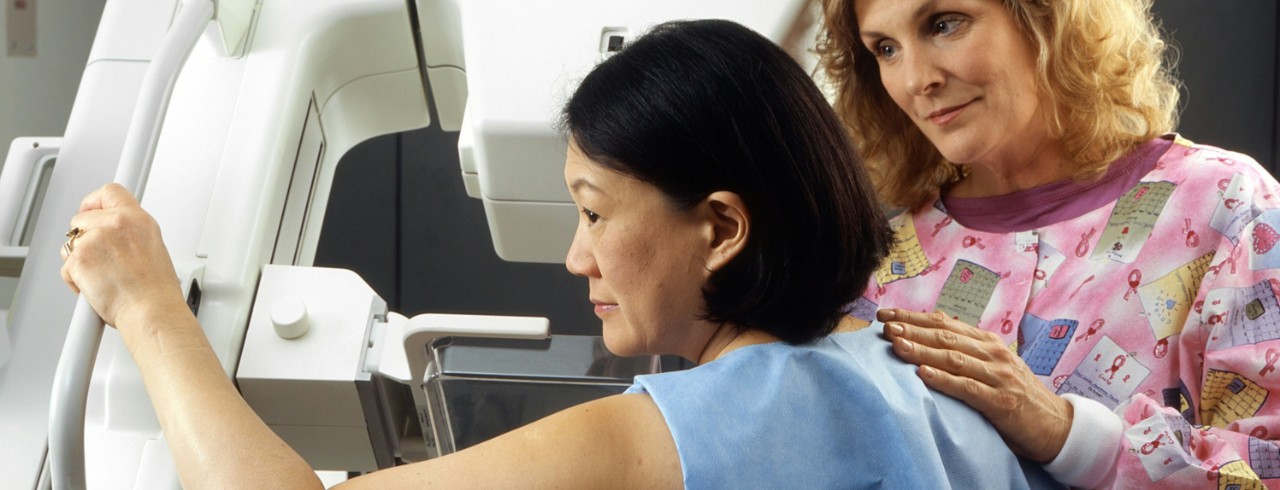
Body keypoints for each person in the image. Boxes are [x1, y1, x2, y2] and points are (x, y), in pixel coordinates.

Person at [59, 19, 1055, 489]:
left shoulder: (663, 434)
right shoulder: (935, 389)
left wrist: (148, 306)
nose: (574, 257)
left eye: (591, 210)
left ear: (719, 227)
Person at [817, 0, 1280, 487]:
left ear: (1047, 17)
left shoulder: (1230, 206)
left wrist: (1070, 435)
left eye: (943, 24)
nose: (915, 80)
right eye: (885, 49)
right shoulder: (875, 269)